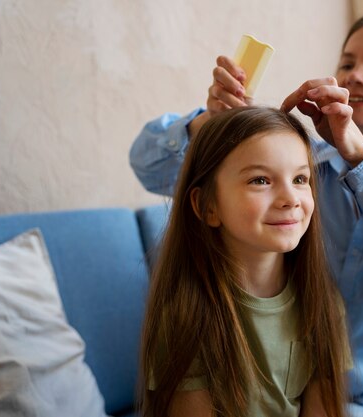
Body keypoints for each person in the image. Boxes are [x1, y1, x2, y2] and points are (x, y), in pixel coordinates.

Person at [131, 10, 363, 417]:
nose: (357, 75)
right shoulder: (302, 164)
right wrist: (206, 124)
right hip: (310, 381)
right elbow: (147, 168)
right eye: (347, 63)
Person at [139, 106, 350, 417]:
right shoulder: (185, 316)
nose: (290, 198)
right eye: (261, 180)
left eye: (300, 178)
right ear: (207, 205)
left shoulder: (324, 304)